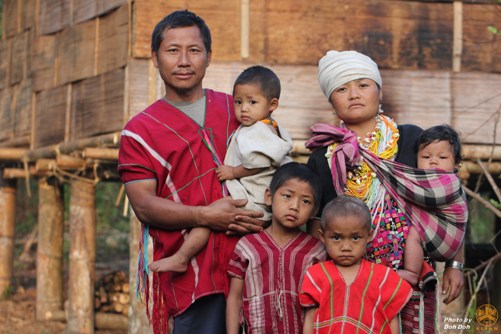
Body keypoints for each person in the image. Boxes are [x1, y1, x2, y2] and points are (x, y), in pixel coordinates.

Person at [117, 10, 265, 334]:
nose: (184, 60)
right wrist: (205, 216)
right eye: (173, 50)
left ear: (208, 57)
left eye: (194, 50)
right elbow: (143, 204)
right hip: (194, 281)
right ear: (155, 58)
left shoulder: (238, 110)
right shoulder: (140, 132)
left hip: (258, 262)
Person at [305, 50, 468, 333]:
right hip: (351, 281)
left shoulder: (412, 139)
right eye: (342, 88)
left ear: (380, 92)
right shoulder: (322, 157)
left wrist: (455, 264)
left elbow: (449, 201)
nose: (354, 94)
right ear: (331, 103)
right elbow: (317, 226)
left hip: (411, 277)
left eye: (363, 85)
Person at [148, 65, 293, 273]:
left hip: (253, 200)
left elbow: (258, 164)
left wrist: (232, 172)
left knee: (208, 216)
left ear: (272, 104)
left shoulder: (257, 131)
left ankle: (182, 257)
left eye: (252, 102)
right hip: (266, 200)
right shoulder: (274, 128)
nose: (244, 108)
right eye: (238, 102)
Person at [226, 162, 327, 334]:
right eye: (287, 196)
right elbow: (234, 299)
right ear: (269, 197)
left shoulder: (316, 252)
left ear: (314, 211)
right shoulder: (248, 247)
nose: (295, 206)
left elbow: (322, 304)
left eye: (305, 201)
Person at [301, 196, 412, 334]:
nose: (346, 247)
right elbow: (310, 320)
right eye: (336, 238)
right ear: (323, 237)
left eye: (355, 238)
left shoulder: (383, 277)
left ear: (369, 235)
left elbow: (391, 321)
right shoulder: (316, 274)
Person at [415, 124, 466, 305]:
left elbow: (458, 223)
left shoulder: (454, 190)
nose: (433, 161)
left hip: (433, 257)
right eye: (426, 157)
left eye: (442, 157)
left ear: (456, 163)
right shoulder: (411, 183)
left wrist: (455, 266)